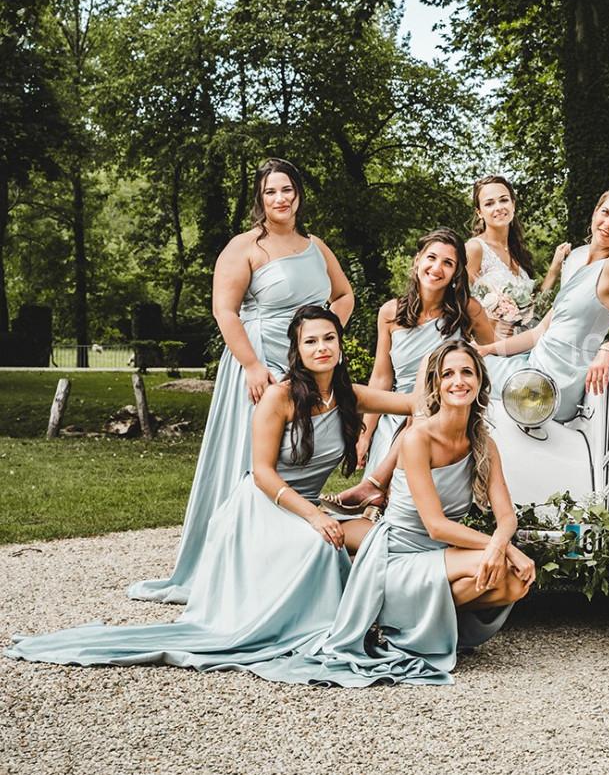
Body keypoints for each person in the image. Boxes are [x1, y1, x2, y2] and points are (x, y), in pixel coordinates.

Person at [5, 307, 416, 673]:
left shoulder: (349, 396)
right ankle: (317, 629)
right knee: (323, 544)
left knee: (382, 537)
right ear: (298, 350)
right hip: (263, 506)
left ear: (340, 346)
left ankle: (391, 622)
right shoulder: (280, 397)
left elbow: (419, 406)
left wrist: (380, 477)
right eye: (311, 340)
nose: (322, 347)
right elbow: (261, 473)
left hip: (308, 505)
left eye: (329, 338)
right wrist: (313, 515)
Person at [128, 158, 354, 604]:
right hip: (261, 363)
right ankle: (225, 564)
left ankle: (282, 552)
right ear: (260, 198)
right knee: (247, 459)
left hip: (305, 365)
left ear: (299, 194)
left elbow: (343, 295)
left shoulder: (316, 247)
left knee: (294, 454)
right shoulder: (245, 246)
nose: (280, 199)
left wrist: (325, 332)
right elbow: (224, 310)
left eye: (287, 189)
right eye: (271, 192)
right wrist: (251, 365)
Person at [257, 340, 536, 686]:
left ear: (480, 381)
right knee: (499, 567)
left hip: (439, 554)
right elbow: (435, 526)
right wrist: (501, 548)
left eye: (467, 372)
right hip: (398, 554)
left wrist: (502, 540)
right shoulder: (417, 439)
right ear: (436, 384)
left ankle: (410, 623)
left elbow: (506, 516)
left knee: (513, 584)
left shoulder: (483, 442)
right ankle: (392, 615)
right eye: (447, 374)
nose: (458, 381)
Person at [320, 229, 494, 516]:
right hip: (396, 412)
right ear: (417, 261)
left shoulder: (468, 310)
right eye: (432, 258)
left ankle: (376, 485)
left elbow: (493, 354)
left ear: (456, 273)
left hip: (446, 409)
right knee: (412, 412)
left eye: (448, 263)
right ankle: (375, 494)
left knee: (423, 409)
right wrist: (366, 433)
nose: (437, 268)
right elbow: (381, 377)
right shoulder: (390, 312)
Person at [478, 184, 609, 421]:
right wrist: (488, 349)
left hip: (555, 382)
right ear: (595, 212)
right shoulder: (576, 259)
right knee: (464, 365)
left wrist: (608, 348)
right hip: (533, 363)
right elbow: (540, 332)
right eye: (605, 213)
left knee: (461, 376)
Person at [466, 175, 571, 338]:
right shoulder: (475, 248)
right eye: (489, 203)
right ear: (479, 212)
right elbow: (459, 301)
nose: (499, 207)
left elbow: (533, 310)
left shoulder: (516, 251)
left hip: (523, 339)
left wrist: (554, 268)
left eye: (504, 200)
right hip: (491, 344)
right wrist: (490, 324)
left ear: (513, 205)